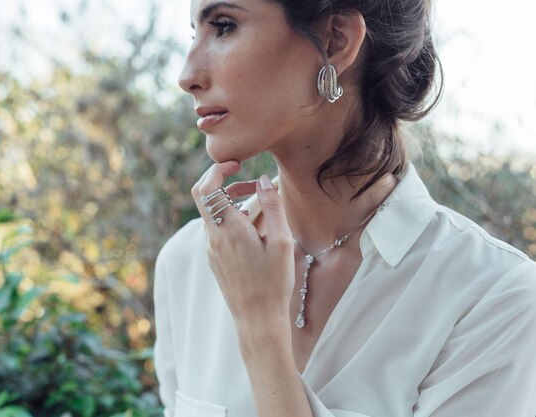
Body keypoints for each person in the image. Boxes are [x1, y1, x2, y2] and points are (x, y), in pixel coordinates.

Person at [153, 0, 536, 416]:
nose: (186, 76)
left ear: (336, 42)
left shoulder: (493, 296)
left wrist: (260, 330)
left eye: (224, 27)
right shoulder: (187, 263)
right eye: (196, 34)